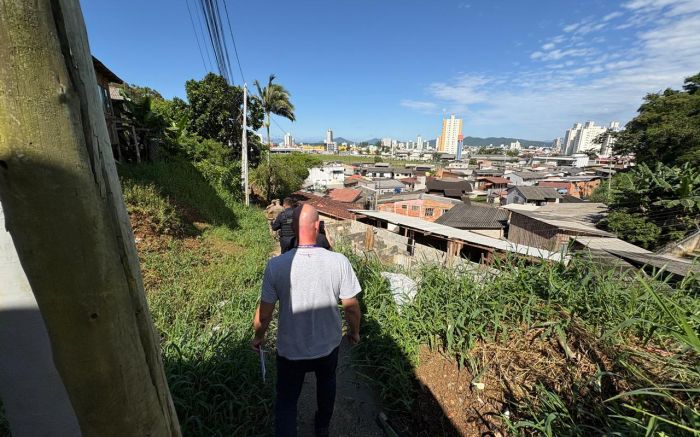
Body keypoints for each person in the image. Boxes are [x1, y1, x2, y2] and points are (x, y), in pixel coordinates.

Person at [252, 204, 362, 437]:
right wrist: (354, 333)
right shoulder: (339, 261)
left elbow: (264, 314)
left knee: (287, 401)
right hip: (328, 346)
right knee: (327, 384)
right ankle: (322, 427)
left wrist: (258, 337)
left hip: (290, 351)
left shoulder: (276, 266)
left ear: (292, 228)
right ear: (317, 226)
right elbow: (351, 308)